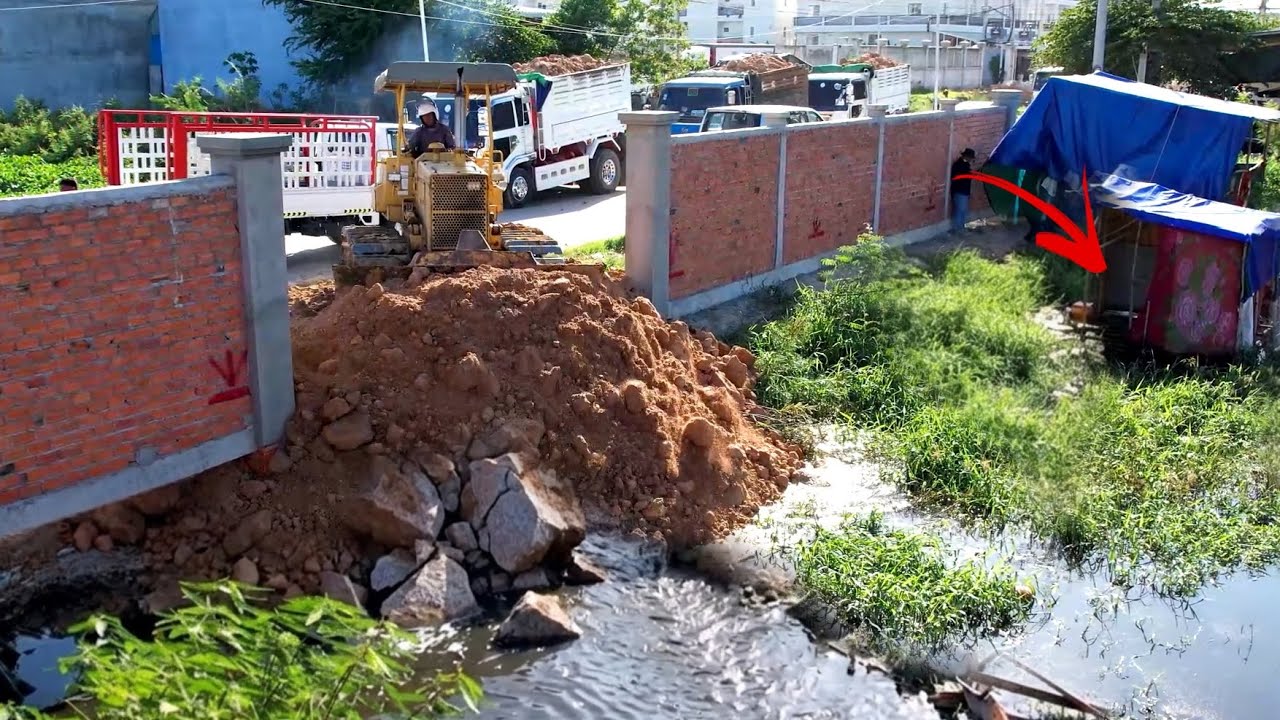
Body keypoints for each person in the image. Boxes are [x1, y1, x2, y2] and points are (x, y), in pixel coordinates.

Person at [949, 148, 976, 234]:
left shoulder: (964, 165)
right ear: (967, 157)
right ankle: (958, 228)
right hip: (960, 191)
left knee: (962, 210)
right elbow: (959, 179)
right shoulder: (960, 165)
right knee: (960, 210)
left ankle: (960, 227)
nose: (971, 160)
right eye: (971, 158)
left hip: (963, 191)